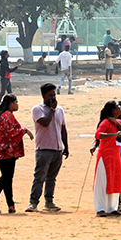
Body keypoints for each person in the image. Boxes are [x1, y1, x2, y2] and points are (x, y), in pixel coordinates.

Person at [26, 84, 68, 213]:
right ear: (43, 96)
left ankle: (49, 201)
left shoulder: (60, 110)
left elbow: (63, 129)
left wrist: (66, 146)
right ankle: (33, 202)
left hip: (57, 149)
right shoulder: (37, 109)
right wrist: (51, 110)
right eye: (50, 95)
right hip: (44, 148)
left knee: (52, 178)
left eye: (54, 95)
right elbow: (44, 123)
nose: (53, 98)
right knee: (39, 176)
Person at [0, 94, 32, 214]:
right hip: (5, 151)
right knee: (6, 177)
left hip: (4, 151)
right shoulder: (7, 115)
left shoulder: (5, 115)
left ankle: (10, 205)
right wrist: (24, 131)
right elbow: (10, 132)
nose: (17, 104)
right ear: (10, 103)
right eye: (16, 102)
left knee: (7, 178)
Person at [90, 101, 121, 217]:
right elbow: (98, 135)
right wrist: (114, 134)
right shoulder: (105, 122)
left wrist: (116, 122)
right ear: (112, 110)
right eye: (117, 107)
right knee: (103, 181)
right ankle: (100, 208)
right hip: (105, 156)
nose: (119, 108)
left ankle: (112, 207)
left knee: (114, 180)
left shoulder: (119, 122)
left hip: (115, 156)